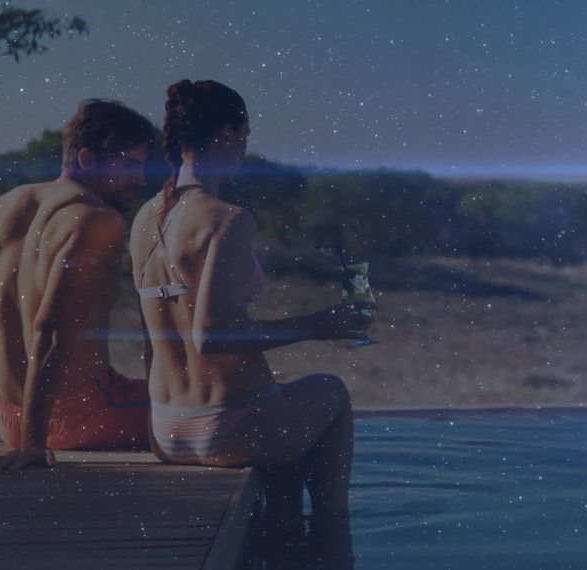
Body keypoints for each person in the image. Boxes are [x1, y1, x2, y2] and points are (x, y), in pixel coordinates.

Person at [130, 79, 371, 567]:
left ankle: (281, 530)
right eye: (243, 135)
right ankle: (331, 539)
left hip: (167, 428)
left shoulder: (145, 218)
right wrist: (317, 323)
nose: (244, 147)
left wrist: (158, 423)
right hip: (227, 428)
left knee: (283, 416)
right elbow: (212, 336)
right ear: (224, 134)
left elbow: (155, 334)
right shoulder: (227, 219)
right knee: (332, 391)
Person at [0, 99, 156, 471]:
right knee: (208, 406)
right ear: (86, 159)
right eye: (129, 165)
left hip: (8, 419)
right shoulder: (97, 220)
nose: (141, 180)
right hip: (72, 420)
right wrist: (34, 444)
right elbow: (50, 331)